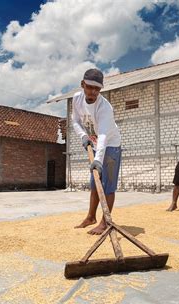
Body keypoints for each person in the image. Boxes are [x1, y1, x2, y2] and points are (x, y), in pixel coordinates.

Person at [71, 68, 121, 235]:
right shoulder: (77, 99)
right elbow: (75, 121)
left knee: (108, 185)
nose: (93, 91)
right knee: (94, 183)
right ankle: (91, 217)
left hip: (111, 146)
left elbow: (104, 135)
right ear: (82, 84)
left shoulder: (105, 107)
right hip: (94, 143)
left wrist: (98, 160)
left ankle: (105, 222)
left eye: (97, 88)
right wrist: (83, 136)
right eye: (90, 87)